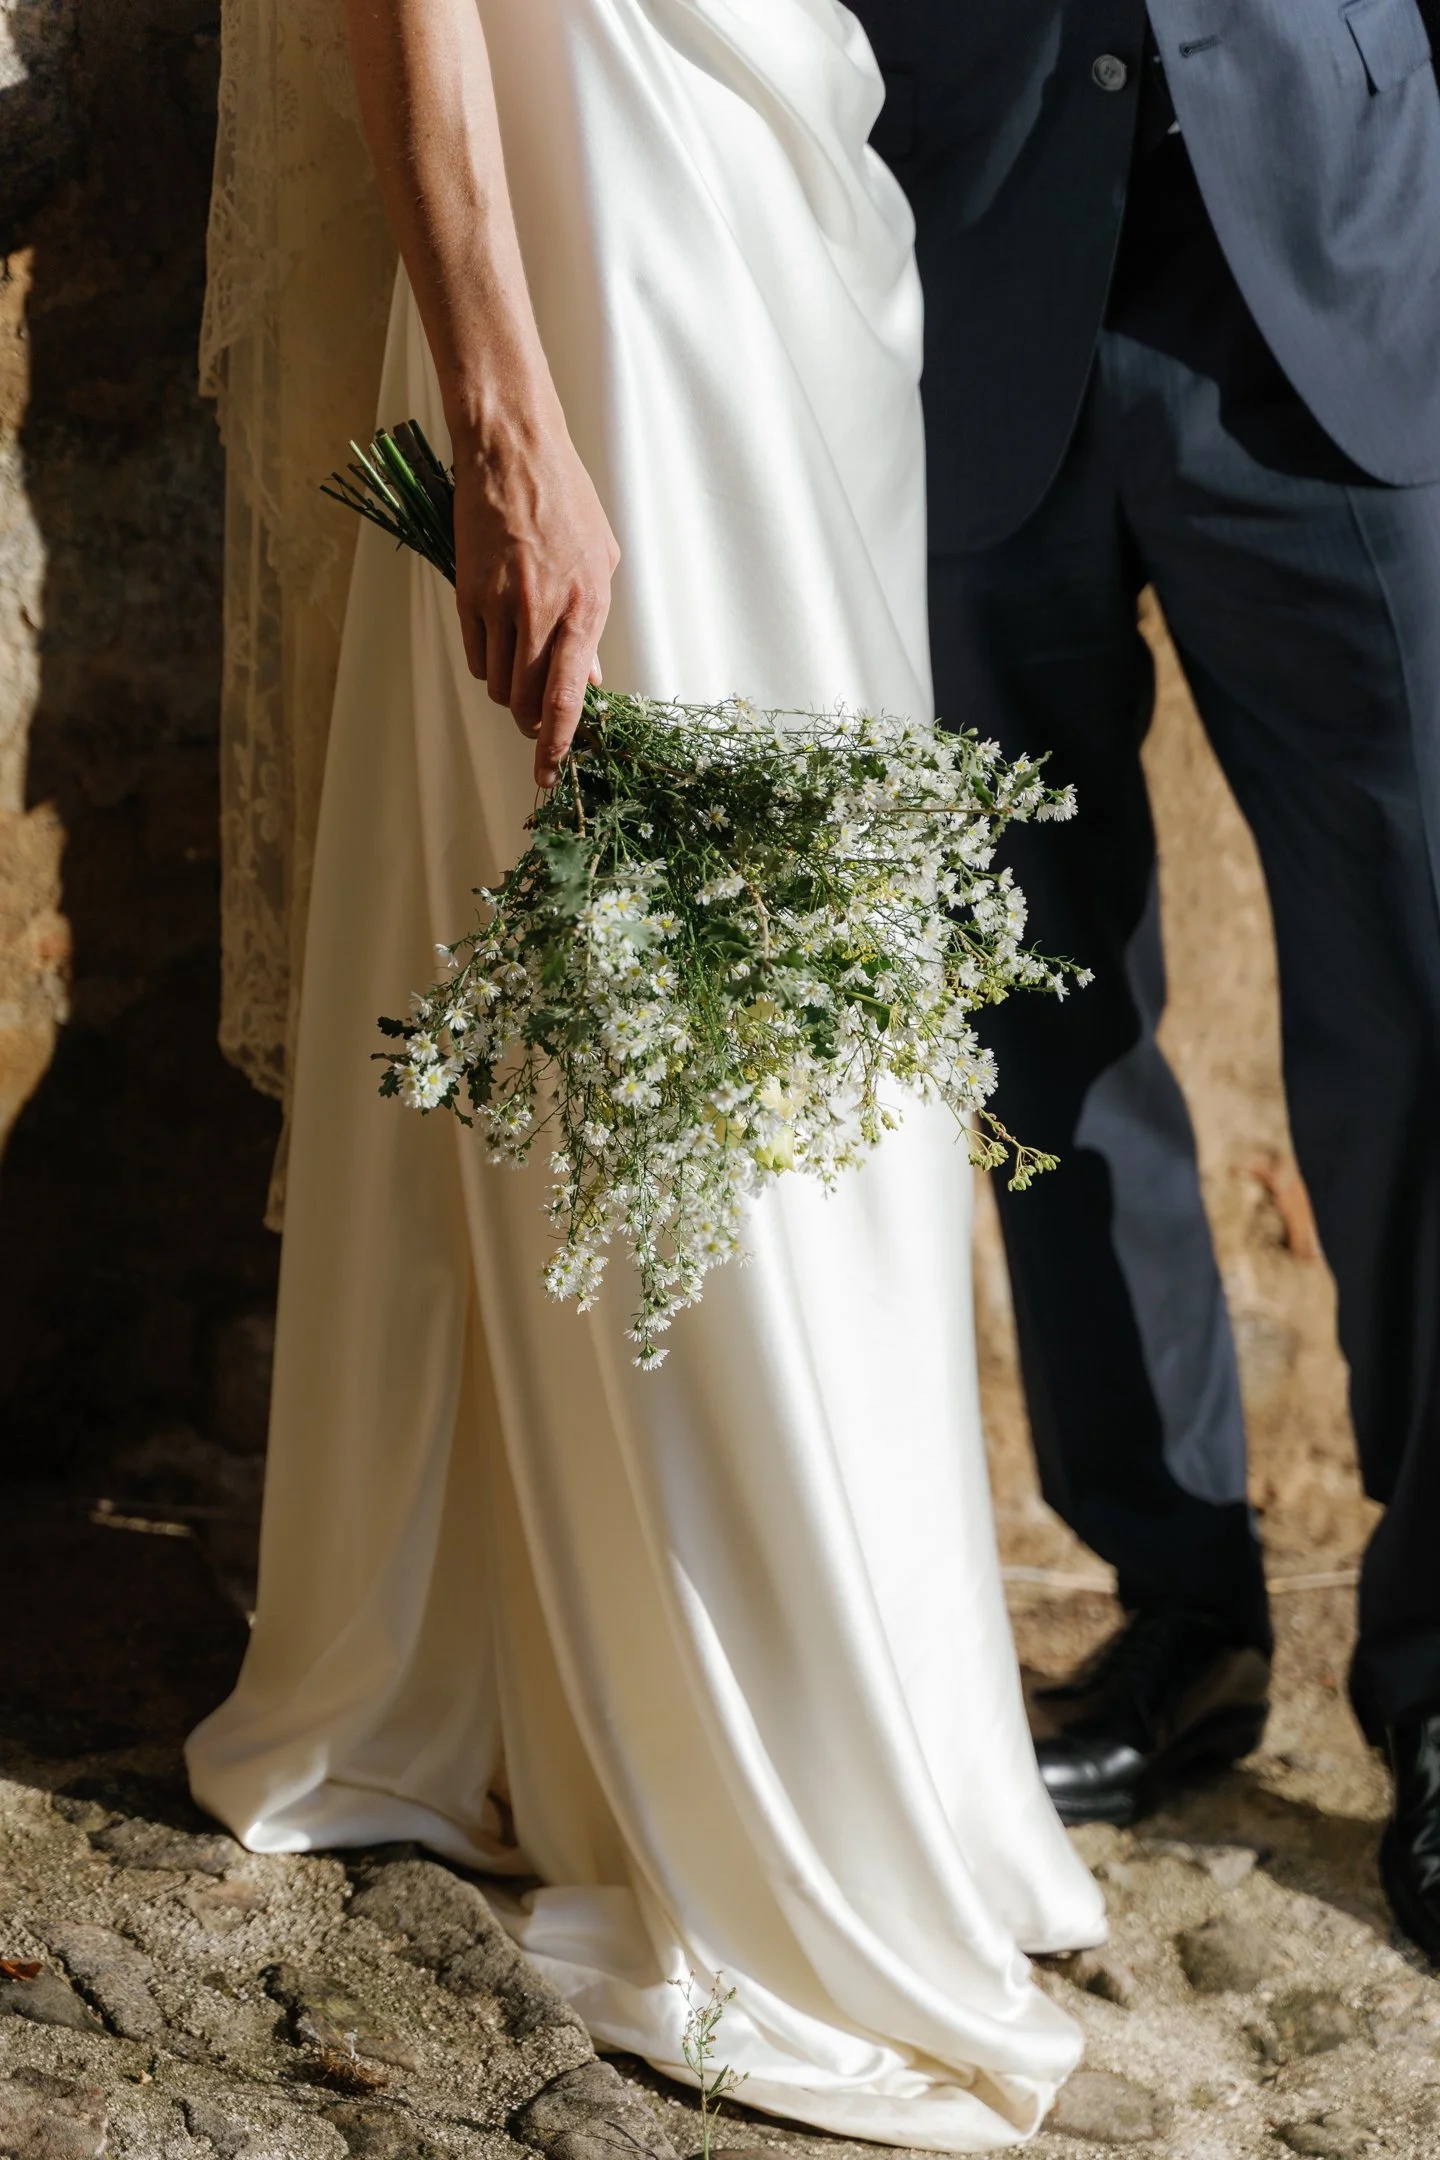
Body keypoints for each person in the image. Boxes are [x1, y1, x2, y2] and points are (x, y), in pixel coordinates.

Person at [186, 0, 1106, 2146]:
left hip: (793, 207)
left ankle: (834, 1708)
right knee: (661, 997)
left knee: (818, 1025)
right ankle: (763, 1784)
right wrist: (509, 410)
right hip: (603, 235)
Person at [847, 0, 1440, 1959]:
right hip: (957, 262)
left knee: (1421, 1003)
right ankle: (1176, 1598)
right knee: (1038, 1014)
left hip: (1332, 273)